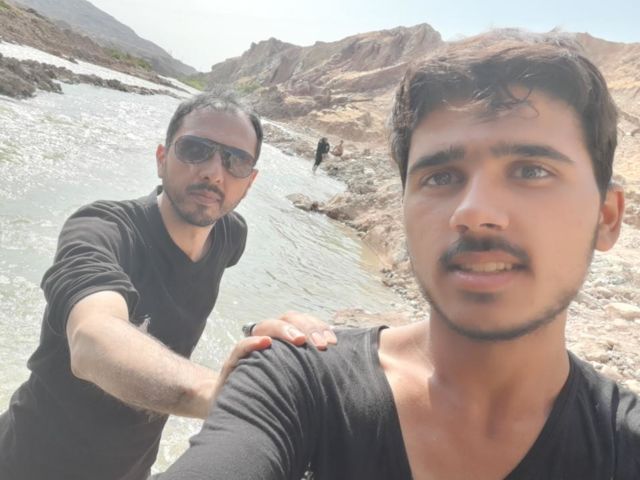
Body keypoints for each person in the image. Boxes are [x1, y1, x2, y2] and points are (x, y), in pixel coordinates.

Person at [155, 31, 640, 479]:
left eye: (531, 171)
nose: (474, 212)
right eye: (441, 176)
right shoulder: (296, 381)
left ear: (607, 217)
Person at [0, 91, 335, 480]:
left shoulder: (229, 237)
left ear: (250, 182)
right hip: (28, 463)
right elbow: (92, 341)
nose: (214, 172)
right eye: (195, 150)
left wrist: (263, 338)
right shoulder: (102, 230)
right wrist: (223, 394)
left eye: (237, 161)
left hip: (132, 469)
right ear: (161, 159)